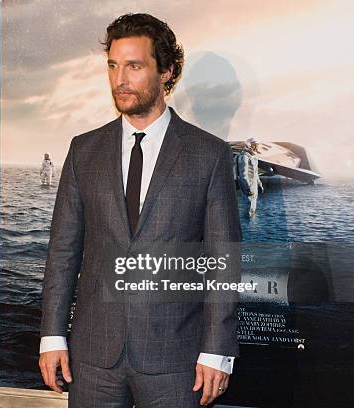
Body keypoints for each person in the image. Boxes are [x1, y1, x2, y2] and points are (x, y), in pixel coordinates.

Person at [39, 13, 241, 407]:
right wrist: (52, 335)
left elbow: (223, 260)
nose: (120, 80)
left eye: (134, 66)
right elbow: (63, 252)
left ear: (166, 71)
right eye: (113, 66)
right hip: (93, 356)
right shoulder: (84, 150)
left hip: (177, 358)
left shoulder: (208, 154)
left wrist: (217, 349)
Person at [236, 138, 264, 217]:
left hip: (253, 188)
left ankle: (252, 226)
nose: (257, 147)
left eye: (257, 145)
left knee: (252, 211)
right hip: (248, 189)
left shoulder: (254, 157)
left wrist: (259, 184)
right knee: (247, 212)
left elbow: (256, 173)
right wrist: (247, 189)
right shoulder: (244, 157)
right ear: (250, 145)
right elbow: (242, 176)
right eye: (256, 145)